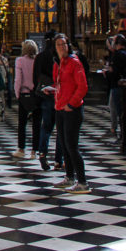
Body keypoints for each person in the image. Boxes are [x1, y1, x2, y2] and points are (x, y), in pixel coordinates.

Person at [48, 33, 89, 193]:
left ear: (68, 45)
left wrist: (71, 104)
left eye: (64, 44)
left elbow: (82, 86)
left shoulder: (74, 62)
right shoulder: (58, 64)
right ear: (54, 47)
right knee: (64, 145)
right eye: (58, 44)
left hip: (72, 109)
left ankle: (83, 182)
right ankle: (69, 177)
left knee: (72, 146)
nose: (61, 47)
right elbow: (59, 84)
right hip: (60, 108)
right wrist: (52, 91)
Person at [33, 30, 61, 172]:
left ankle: (43, 153)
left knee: (46, 127)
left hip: (46, 95)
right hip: (60, 95)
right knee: (61, 129)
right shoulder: (60, 57)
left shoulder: (40, 56)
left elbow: (35, 77)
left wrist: (38, 92)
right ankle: (58, 160)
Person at [104, 33, 126, 141]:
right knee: (123, 111)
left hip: (118, 86)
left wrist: (108, 73)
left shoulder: (117, 55)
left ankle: (123, 136)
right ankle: (124, 135)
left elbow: (114, 72)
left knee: (119, 111)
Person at [13, 39, 41, 159]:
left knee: (22, 124)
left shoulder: (20, 60)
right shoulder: (38, 61)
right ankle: (35, 151)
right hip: (37, 94)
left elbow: (18, 79)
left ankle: (21, 149)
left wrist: (17, 93)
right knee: (37, 124)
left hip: (24, 94)